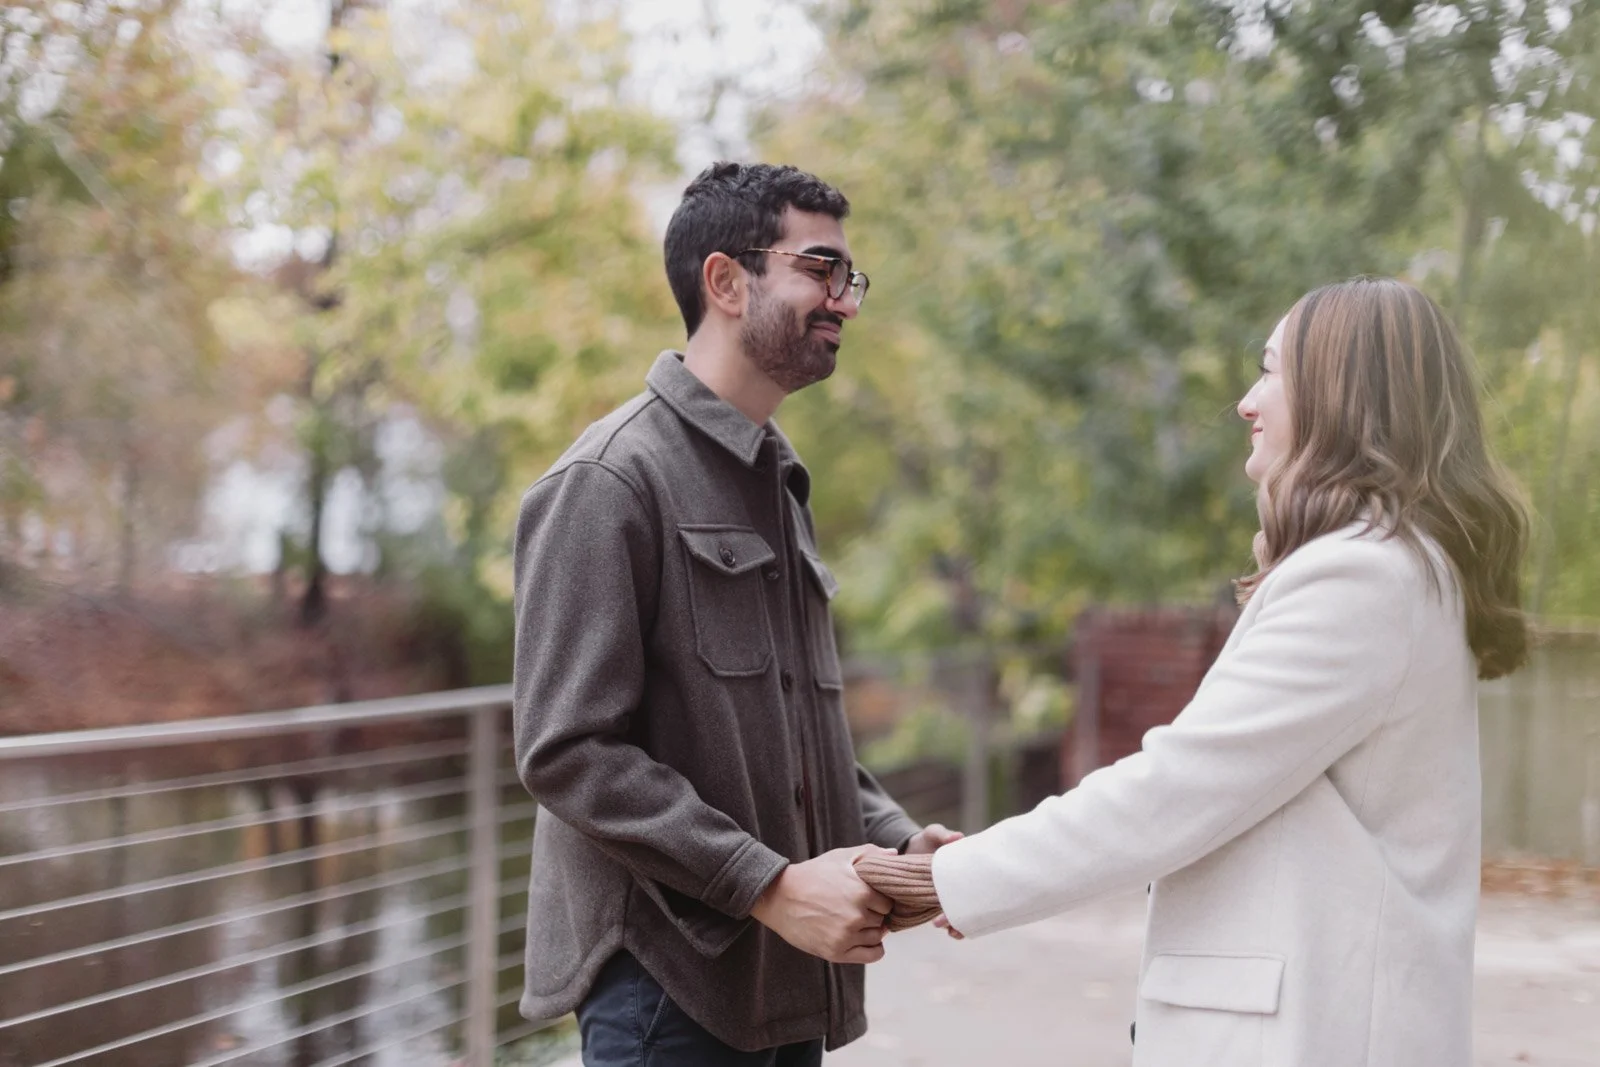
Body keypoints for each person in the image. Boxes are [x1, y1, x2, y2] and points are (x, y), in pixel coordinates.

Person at [865, 277, 1529, 1066]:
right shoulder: (1393, 567)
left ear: (1344, 394)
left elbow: (1176, 790)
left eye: (1273, 370)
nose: (1247, 402)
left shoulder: (1361, 578)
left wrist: (948, 876)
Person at [511, 161, 960, 1067]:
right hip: (669, 992)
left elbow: (787, 726)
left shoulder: (777, 481)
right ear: (726, 280)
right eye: (821, 270)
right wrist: (769, 884)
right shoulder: (608, 481)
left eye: (850, 278)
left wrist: (897, 839)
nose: (846, 302)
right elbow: (567, 751)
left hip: (786, 976)